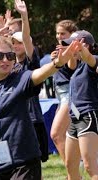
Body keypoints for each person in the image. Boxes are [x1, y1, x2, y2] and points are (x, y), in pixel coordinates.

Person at [0, 36, 78, 179]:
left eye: (10, 56)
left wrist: (57, 64)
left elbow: (40, 73)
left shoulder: (21, 79)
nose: (5, 60)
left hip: (24, 162)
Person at [11, 0, 48, 163]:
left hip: (32, 119)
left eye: (19, 42)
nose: (16, 45)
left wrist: (24, 17)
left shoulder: (31, 63)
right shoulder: (6, 66)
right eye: (13, 43)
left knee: (35, 165)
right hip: (14, 120)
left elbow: (26, 39)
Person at [62, 30, 98, 180]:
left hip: (88, 115)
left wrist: (82, 50)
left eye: (72, 46)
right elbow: (70, 64)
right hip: (75, 118)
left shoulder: (92, 61)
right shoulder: (77, 67)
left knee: (90, 167)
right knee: (70, 166)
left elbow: (91, 59)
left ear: (86, 46)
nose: (70, 49)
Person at [50, 19, 78, 164]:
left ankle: (72, 172)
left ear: (71, 34)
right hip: (61, 96)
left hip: (69, 94)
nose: (59, 36)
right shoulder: (59, 50)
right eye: (57, 33)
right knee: (67, 134)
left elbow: (72, 67)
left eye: (63, 33)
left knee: (56, 134)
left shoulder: (74, 50)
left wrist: (68, 54)